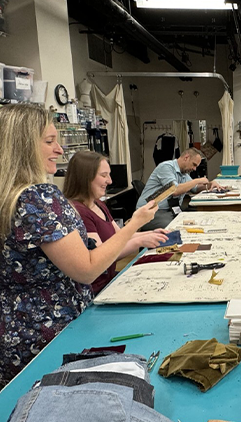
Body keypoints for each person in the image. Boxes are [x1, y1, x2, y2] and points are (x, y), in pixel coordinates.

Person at [0, 104, 158, 388]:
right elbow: (85, 270)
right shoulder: (37, 198)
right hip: (49, 336)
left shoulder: (7, 199)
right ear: (23, 146)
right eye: (49, 142)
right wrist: (135, 224)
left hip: (15, 334)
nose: (60, 150)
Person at [63, 151, 170, 295]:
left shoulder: (98, 204)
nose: (110, 181)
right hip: (96, 290)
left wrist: (151, 233)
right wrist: (140, 240)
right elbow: (101, 258)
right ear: (85, 177)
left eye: (109, 174)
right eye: (103, 175)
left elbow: (119, 235)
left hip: (110, 280)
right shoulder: (80, 212)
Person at [136, 148, 222, 230]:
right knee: (177, 228)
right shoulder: (165, 167)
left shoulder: (183, 173)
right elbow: (174, 190)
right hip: (149, 212)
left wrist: (210, 185)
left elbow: (195, 188)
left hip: (169, 210)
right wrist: (197, 180)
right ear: (186, 158)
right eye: (194, 164)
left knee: (196, 223)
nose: (194, 169)